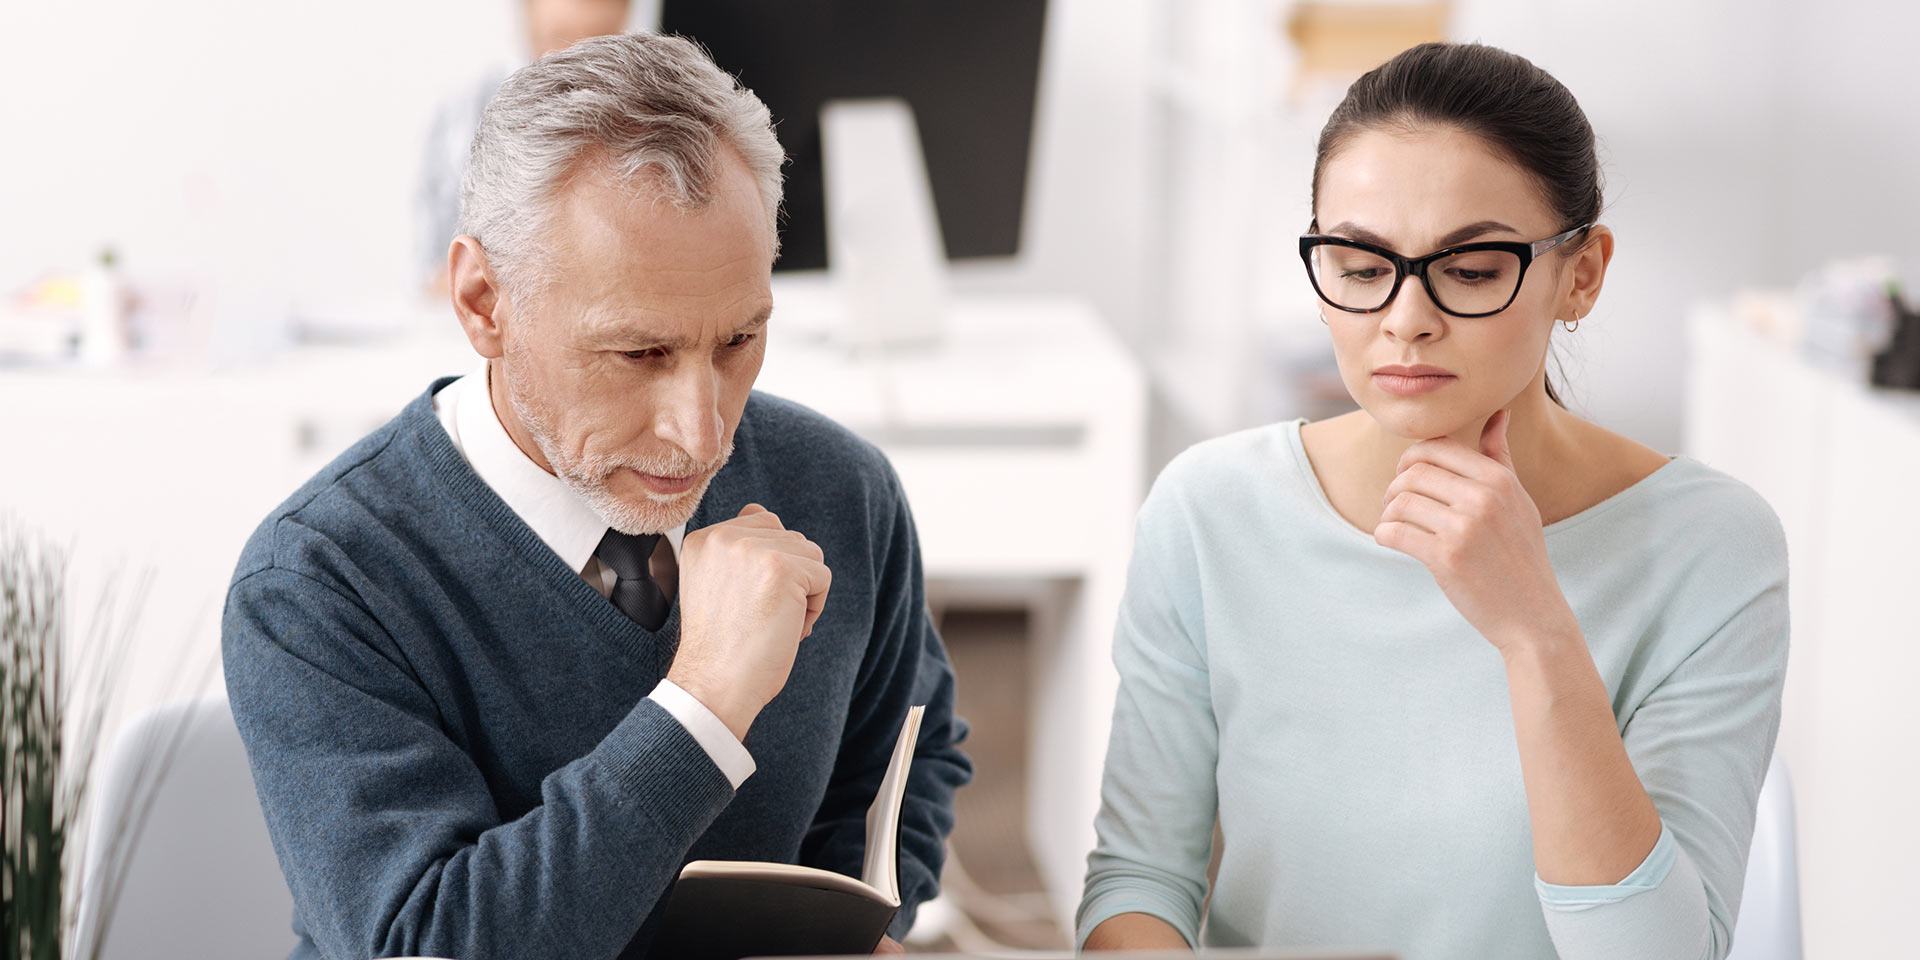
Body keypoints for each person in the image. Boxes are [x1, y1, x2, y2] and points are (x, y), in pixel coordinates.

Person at [225, 33, 969, 959]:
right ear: (483, 302)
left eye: (738, 340)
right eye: (639, 353)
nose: (702, 434)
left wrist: (850, 929)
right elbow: (426, 943)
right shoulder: (319, 580)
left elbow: (909, 760)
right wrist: (704, 702)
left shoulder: (841, 489)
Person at [1078, 42, 1786, 960]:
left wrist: (1535, 629)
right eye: (1362, 267)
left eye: (1473, 268)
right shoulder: (1209, 510)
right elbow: (1139, 886)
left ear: (1582, 273)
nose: (1406, 317)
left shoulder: (1711, 545)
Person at [417, 0, 637, 296]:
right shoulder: (464, 115)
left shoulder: (650, 115)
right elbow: (438, 279)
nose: (577, 59)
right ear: (527, 17)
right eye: (561, 39)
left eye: (600, 41)